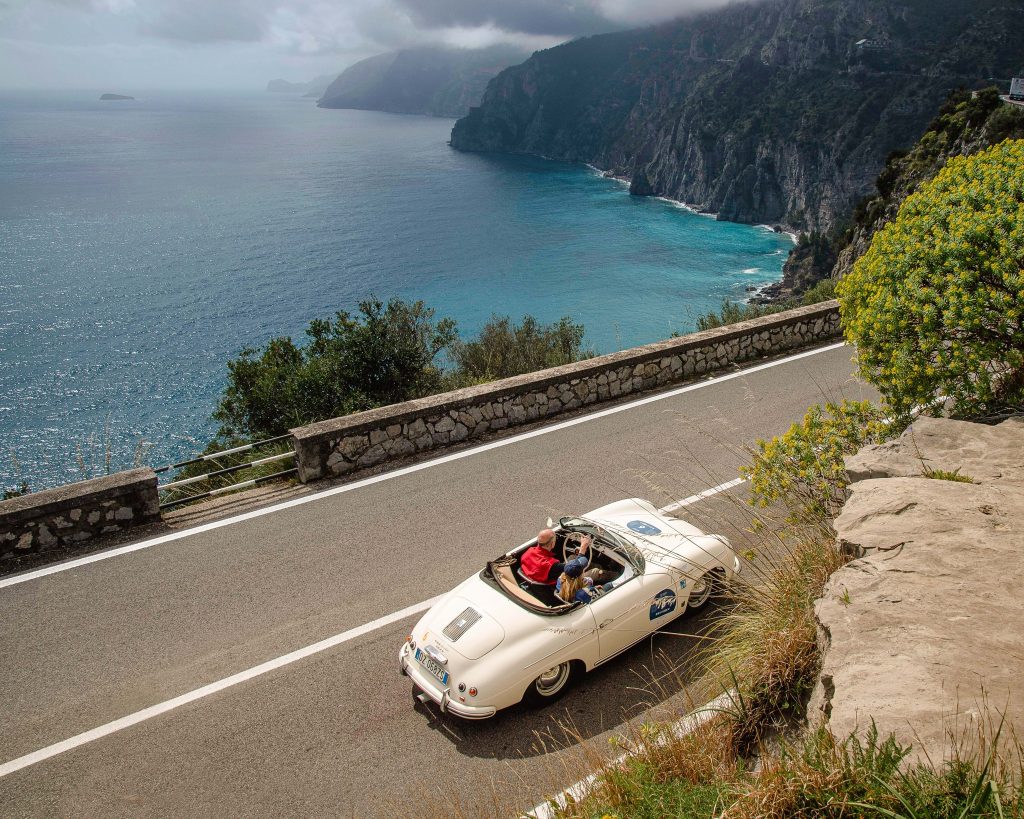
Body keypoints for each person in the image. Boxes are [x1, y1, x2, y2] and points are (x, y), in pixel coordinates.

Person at [520, 529, 591, 585]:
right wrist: (583, 548)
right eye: (555, 540)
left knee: (572, 557)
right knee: (596, 571)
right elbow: (574, 569)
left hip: (538, 582)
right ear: (552, 544)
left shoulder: (528, 552)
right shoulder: (551, 565)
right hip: (562, 584)